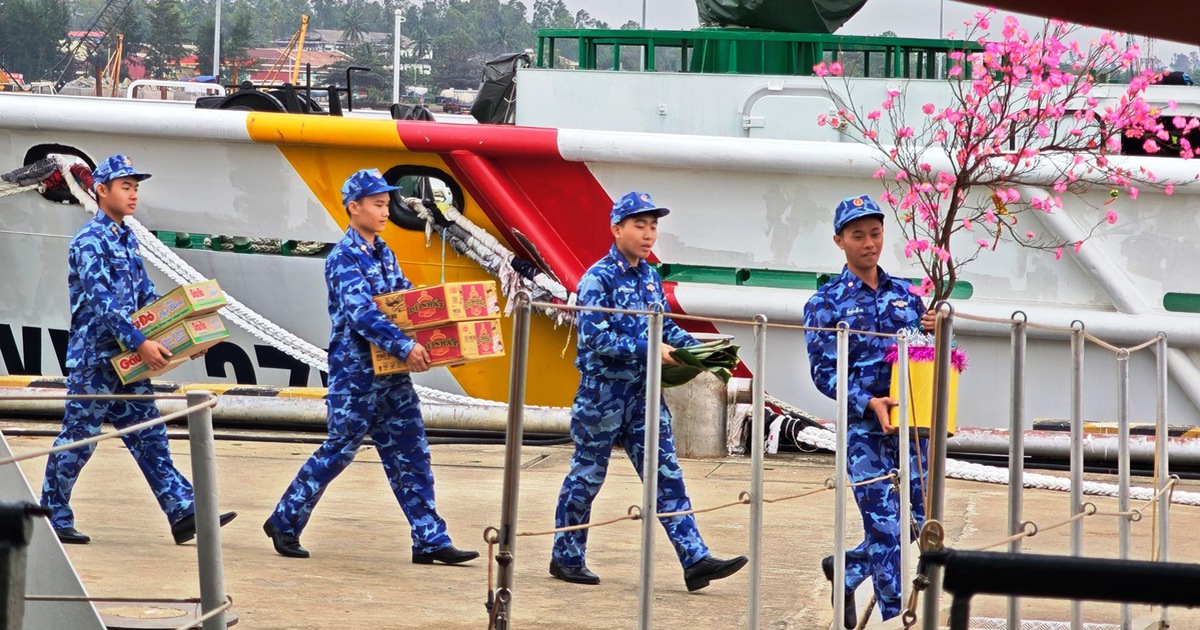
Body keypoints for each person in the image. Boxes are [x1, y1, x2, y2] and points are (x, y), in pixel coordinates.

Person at [263, 168, 478, 565]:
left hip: (392, 375)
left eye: (386, 204)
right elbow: (363, 315)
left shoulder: (382, 251)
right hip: (357, 374)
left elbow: (402, 302)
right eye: (378, 205)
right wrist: (405, 346)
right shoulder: (343, 258)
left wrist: (439, 323)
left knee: (412, 453)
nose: (385, 211)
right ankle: (285, 519)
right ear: (354, 207)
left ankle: (430, 538)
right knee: (340, 450)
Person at [550, 191, 748, 592]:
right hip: (602, 396)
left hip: (643, 394)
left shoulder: (649, 277)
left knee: (666, 475)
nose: (648, 234)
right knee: (587, 476)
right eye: (639, 225)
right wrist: (650, 348)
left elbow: (665, 328)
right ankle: (566, 556)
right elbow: (594, 337)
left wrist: (697, 351)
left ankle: (695, 560)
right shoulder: (597, 280)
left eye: (653, 226)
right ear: (617, 228)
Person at [40, 154, 236, 545]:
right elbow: (103, 304)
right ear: (101, 190)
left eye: (135, 187)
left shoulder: (126, 237)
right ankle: (50, 515)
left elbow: (147, 299)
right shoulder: (90, 241)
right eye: (125, 187)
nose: (133, 195)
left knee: (149, 436)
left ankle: (182, 511)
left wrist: (183, 337)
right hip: (97, 360)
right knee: (79, 438)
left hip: (128, 360)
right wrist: (142, 343)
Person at [803, 194, 935, 628]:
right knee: (883, 525)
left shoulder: (908, 297)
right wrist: (867, 401)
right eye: (857, 235)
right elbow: (825, 373)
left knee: (918, 520)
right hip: (864, 432)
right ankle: (897, 618)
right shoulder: (825, 303)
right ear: (839, 240)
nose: (868, 243)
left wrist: (935, 328)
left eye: (875, 233)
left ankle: (849, 568)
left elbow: (925, 358)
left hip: (911, 426)